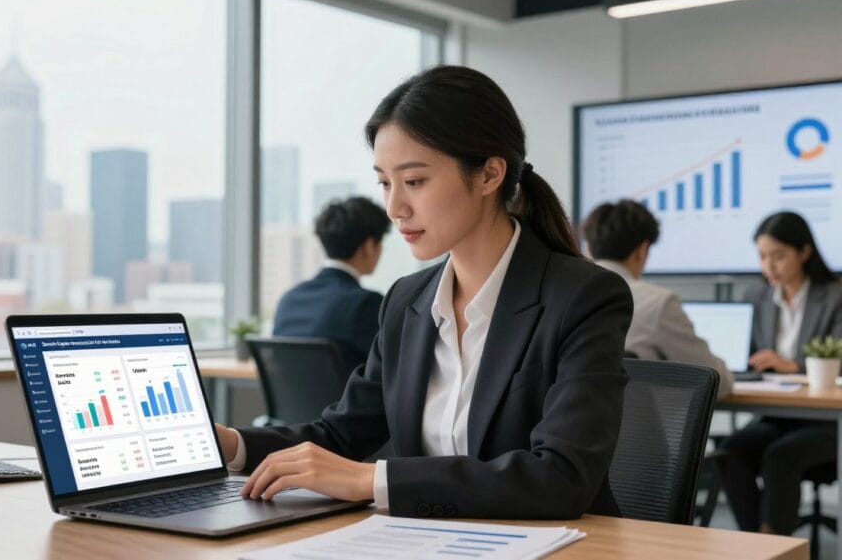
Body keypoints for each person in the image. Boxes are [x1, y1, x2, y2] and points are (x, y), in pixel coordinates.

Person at [213, 65, 633, 519]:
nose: (394, 207)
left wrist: (368, 479)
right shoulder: (406, 302)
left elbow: (561, 477)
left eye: (414, 181)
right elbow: (339, 436)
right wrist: (231, 445)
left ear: (490, 174)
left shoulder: (584, 297)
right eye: (384, 183)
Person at [718, 211, 842, 534]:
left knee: (779, 457)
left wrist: (794, 366)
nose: (769, 267)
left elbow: (838, 356)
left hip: (827, 419)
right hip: (776, 414)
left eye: (779, 256)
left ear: (804, 252)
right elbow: (747, 355)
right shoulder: (755, 296)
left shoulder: (834, 296)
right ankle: (755, 544)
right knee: (730, 451)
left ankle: (775, 547)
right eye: (762, 257)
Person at [581, 199, 734, 398]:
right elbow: (716, 381)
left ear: (589, 250)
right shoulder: (658, 303)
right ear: (642, 250)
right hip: (635, 428)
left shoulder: (562, 295)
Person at [272, 196, 391, 368]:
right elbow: (395, 367)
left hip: (296, 396)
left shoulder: (289, 299)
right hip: (350, 396)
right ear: (369, 246)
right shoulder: (366, 304)